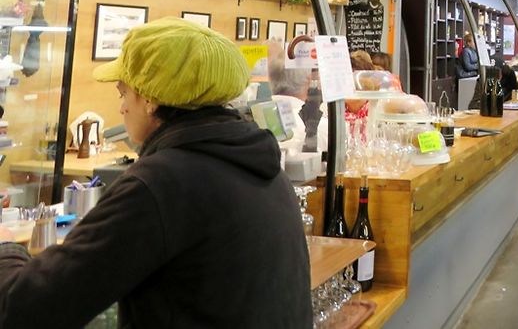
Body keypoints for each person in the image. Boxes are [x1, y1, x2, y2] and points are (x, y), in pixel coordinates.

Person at [0, 18, 311, 328]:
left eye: (123, 92)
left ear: (149, 99)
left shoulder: (161, 184)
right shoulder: (262, 164)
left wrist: (5, 249)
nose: (121, 107)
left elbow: (29, 308)